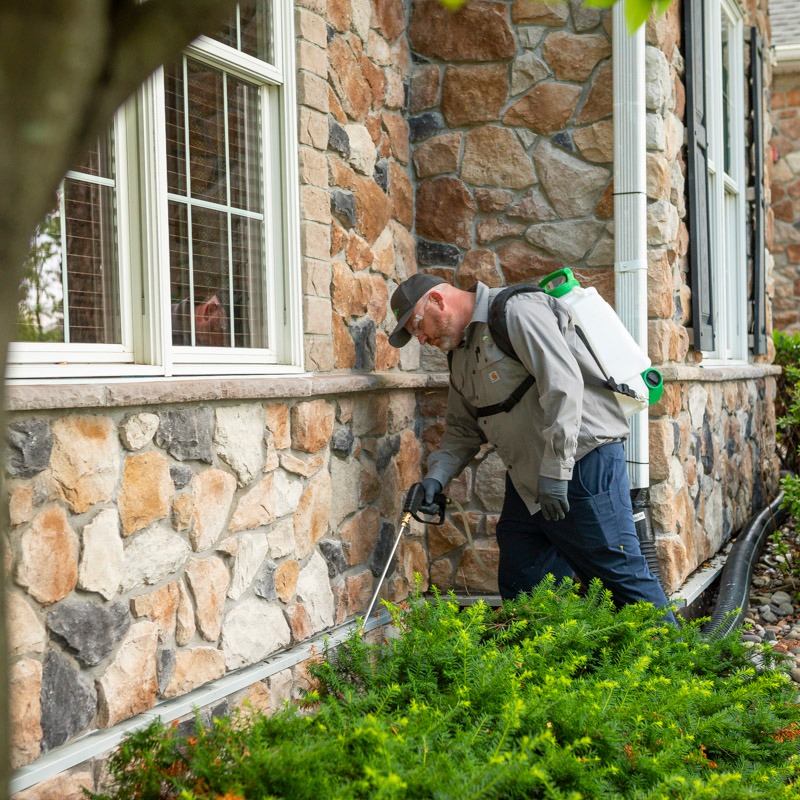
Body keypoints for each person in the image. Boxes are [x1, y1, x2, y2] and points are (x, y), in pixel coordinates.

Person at [388, 273, 675, 622]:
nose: (421, 337)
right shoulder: (460, 356)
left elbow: (564, 387)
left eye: (417, 325)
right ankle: (544, 671)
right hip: (529, 481)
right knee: (525, 583)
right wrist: (436, 479)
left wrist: (556, 474)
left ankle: (684, 667)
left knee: (620, 577)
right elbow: (463, 429)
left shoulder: (516, 311)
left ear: (437, 300)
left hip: (582, 463)